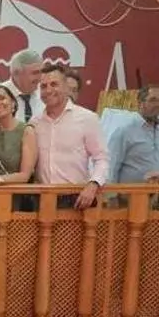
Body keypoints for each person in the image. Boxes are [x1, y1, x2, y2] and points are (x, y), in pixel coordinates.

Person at [32, 64, 108, 209]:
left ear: (66, 87)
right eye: (43, 86)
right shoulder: (35, 123)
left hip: (77, 200)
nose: (48, 90)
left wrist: (94, 184)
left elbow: (102, 158)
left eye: (54, 84)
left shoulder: (87, 118)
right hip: (42, 201)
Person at [107, 85, 159, 186]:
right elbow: (111, 167)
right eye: (152, 100)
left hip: (157, 192)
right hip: (129, 194)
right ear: (140, 103)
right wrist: (111, 194)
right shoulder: (125, 130)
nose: (157, 104)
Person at [4, 49, 43, 122]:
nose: (40, 78)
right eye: (35, 73)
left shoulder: (45, 94)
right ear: (16, 73)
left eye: (42, 72)